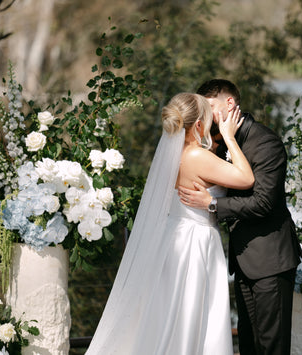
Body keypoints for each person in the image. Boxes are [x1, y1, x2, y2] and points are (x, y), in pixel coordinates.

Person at [85, 92, 254, 355]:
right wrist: (230, 136)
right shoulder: (197, 156)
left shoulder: (176, 154)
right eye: (208, 120)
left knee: (170, 314)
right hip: (195, 243)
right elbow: (246, 179)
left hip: (175, 235)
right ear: (198, 125)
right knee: (191, 316)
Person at [178, 79, 302, 355]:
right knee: (248, 344)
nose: (206, 115)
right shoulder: (217, 143)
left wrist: (213, 205)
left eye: (210, 107)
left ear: (230, 103)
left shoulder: (265, 142)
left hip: (270, 259)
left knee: (271, 346)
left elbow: (262, 203)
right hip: (243, 260)